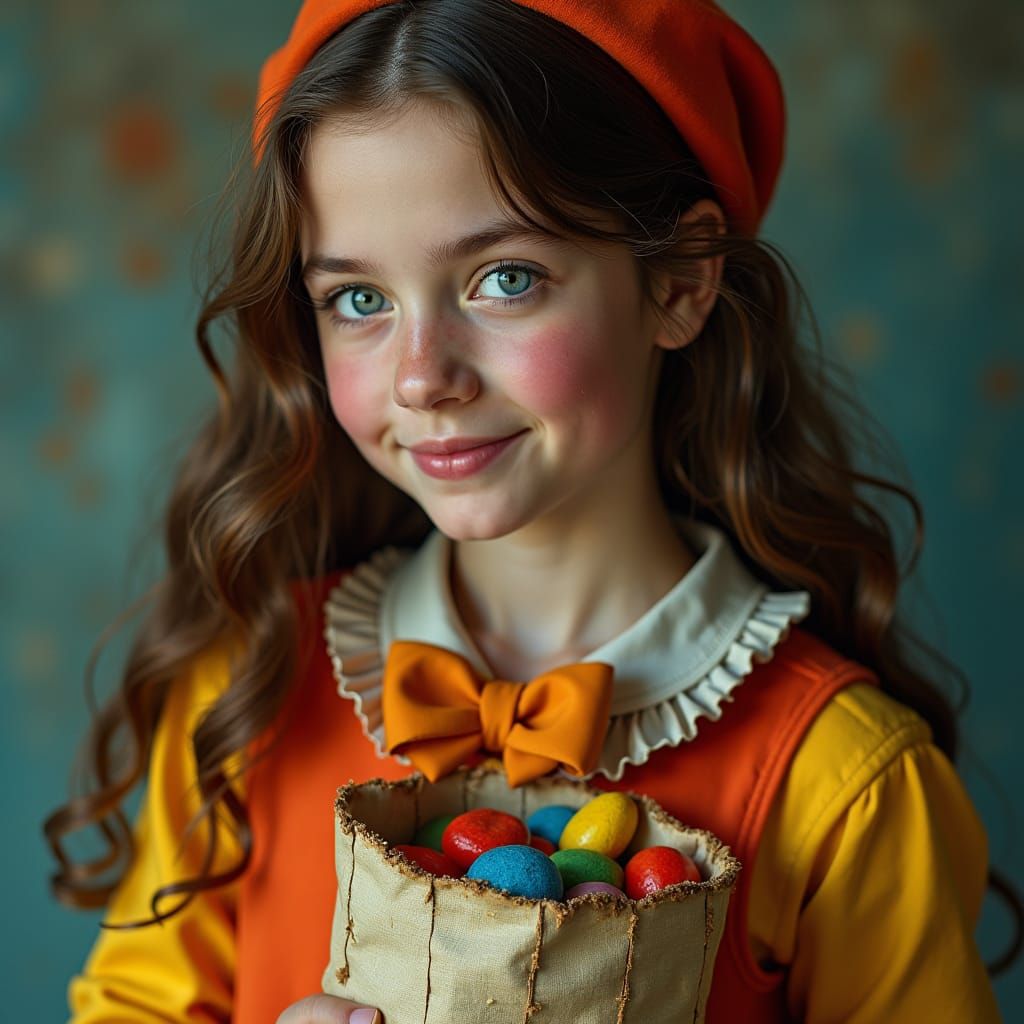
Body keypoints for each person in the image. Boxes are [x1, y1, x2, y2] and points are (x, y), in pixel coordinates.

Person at [44, 1, 1015, 1021]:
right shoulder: (240, 695)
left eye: (504, 279)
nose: (422, 378)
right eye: (358, 300)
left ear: (680, 280)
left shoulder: (842, 780)